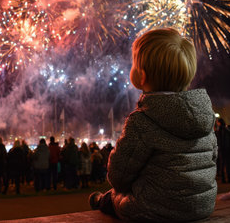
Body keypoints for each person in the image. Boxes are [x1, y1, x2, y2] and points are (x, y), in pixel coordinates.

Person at [89, 28, 217, 222]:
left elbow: (119, 176)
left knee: (115, 198)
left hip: (154, 210)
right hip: (202, 205)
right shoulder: (204, 114)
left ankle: (101, 200)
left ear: (142, 75)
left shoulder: (142, 120)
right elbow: (212, 159)